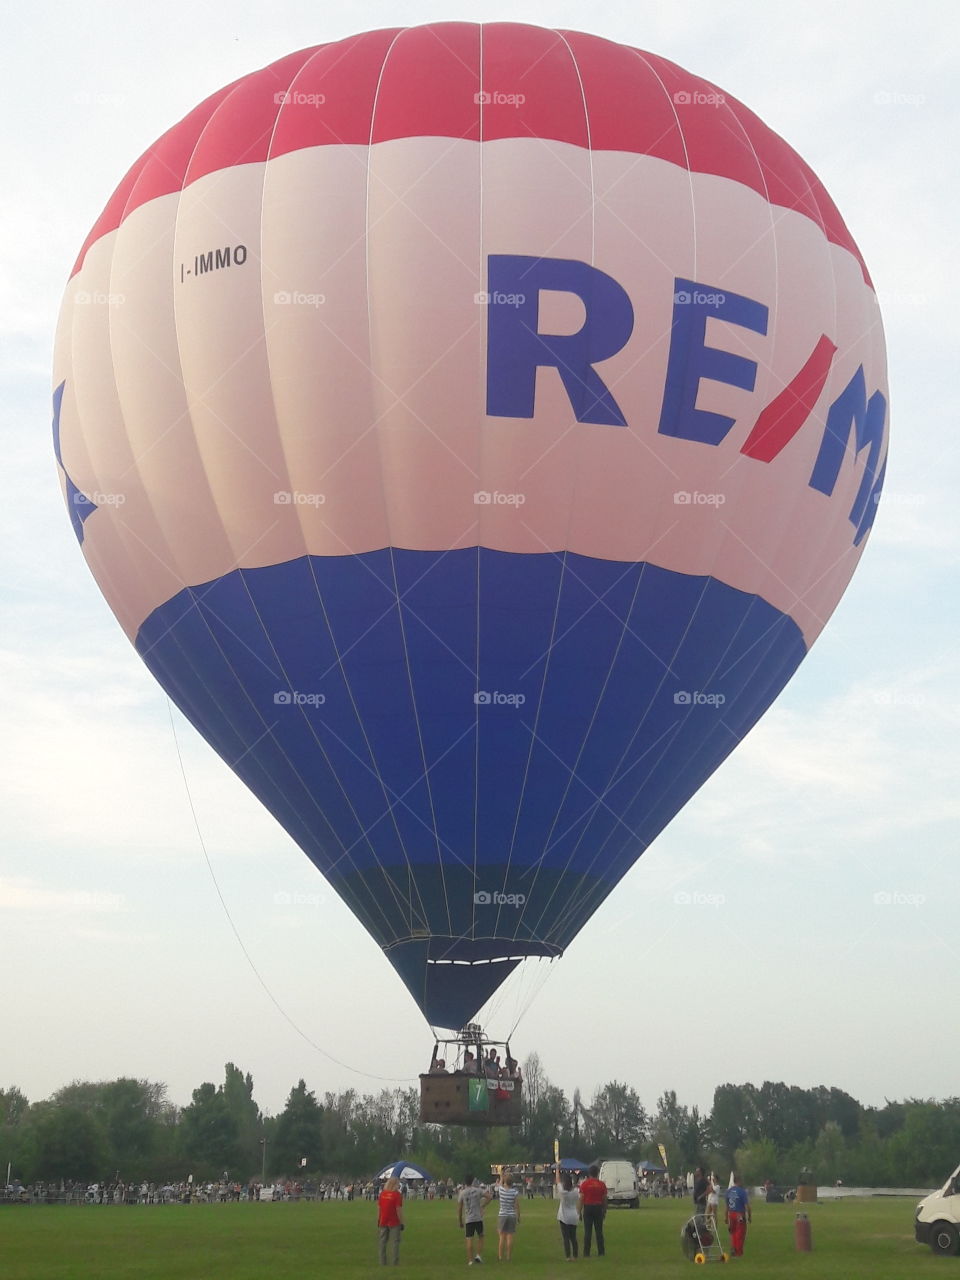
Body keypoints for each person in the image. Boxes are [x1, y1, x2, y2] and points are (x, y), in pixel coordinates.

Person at [578, 1164, 608, 1257]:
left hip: (588, 1208)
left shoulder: (584, 1184)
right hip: (598, 1207)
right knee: (599, 1231)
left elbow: (581, 1198)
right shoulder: (601, 1184)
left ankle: (586, 1252)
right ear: (597, 1173)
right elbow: (604, 1199)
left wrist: (579, 1211)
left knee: (588, 1231)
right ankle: (601, 1252)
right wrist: (604, 1210)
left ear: (589, 1173)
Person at [458, 1174, 488, 1265]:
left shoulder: (462, 1193)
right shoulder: (478, 1190)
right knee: (481, 1236)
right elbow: (489, 1197)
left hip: (468, 1219)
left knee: (469, 1239)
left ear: (465, 1182)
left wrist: (460, 1221)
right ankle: (478, 1255)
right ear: (472, 1181)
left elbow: (459, 1208)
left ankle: (470, 1261)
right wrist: (482, 1205)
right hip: (478, 1218)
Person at [378, 1176, 404, 1265]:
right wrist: (401, 1222)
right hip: (394, 1221)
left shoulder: (382, 1194)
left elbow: (380, 1208)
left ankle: (382, 1261)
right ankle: (395, 1262)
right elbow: (398, 1209)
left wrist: (379, 1219)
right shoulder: (397, 1195)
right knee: (395, 1242)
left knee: (382, 1242)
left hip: (383, 1220)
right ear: (395, 1184)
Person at [724, 1173, 752, 1258]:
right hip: (739, 1214)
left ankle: (733, 1248)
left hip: (731, 1214)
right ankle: (738, 1252)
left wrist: (725, 1217)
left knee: (732, 1232)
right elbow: (747, 1206)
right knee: (740, 1233)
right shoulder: (742, 1191)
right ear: (738, 1181)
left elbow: (726, 1206)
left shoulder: (728, 1191)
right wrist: (749, 1216)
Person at [494, 1172, 520, 1261]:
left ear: (505, 1181)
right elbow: (516, 1205)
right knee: (510, 1236)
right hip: (512, 1215)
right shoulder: (514, 1192)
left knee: (502, 1237)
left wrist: (501, 1175)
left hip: (502, 1215)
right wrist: (518, 1216)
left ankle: (500, 1256)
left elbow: (500, 1183)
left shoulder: (501, 1190)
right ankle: (508, 1256)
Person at [556, 1170, 581, 1260]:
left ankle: (568, 1256)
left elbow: (557, 1180)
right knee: (573, 1237)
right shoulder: (575, 1192)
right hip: (574, 1216)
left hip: (564, 1216)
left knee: (566, 1238)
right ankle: (575, 1255)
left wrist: (557, 1169)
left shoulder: (563, 1192)